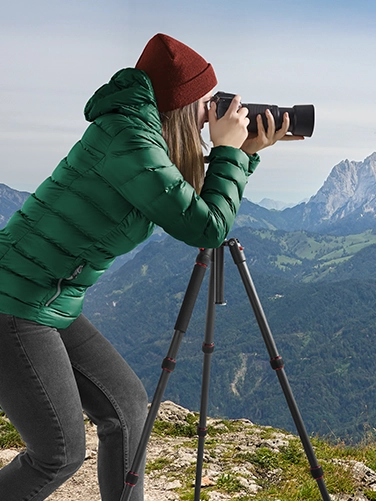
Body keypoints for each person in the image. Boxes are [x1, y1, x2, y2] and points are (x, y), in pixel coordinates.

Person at [0, 33, 303, 500]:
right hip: (14, 302)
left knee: (127, 410)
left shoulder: (140, 137)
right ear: (179, 105)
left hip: (52, 299)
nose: (214, 114)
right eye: (208, 103)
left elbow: (187, 198)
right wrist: (230, 154)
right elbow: (206, 227)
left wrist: (243, 154)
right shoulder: (128, 140)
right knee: (58, 453)